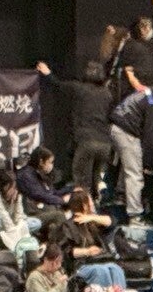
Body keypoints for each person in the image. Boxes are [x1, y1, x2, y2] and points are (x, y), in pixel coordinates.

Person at [36, 60, 115, 195]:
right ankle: (97, 203)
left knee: (82, 184)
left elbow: (58, 85)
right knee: (97, 181)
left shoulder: (79, 89)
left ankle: (84, 205)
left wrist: (47, 73)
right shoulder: (107, 94)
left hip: (86, 141)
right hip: (105, 144)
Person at [109, 84, 153, 228]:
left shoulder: (149, 94)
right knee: (135, 174)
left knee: (128, 167)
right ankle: (135, 216)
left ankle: (120, 196)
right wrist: (149, 164)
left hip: (116, 126)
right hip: (127, 131)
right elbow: (151, 136)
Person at [0, 170, 38, 261]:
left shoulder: (17, 194)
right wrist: (14, 232)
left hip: (12, 222)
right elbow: (3, 215)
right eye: (13, 187)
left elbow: (18, 216)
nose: (15, 189)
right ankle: (9, 239)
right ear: (5, 186)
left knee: (36, 222)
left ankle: (15, 238)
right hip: (0, 223)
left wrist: (15, 202)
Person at [114, 15, 153, 96]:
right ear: (138, 29)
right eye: (143, 27)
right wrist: (138, 86)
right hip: (136, 90)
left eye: (149, 27)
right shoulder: (131, 46)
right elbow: (128, 69)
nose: (147, 30)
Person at [52, 189, 112, 260]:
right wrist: (87, 251)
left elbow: (109, 221)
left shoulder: (93, 220)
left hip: (102, 258)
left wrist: (91, 218)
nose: (92, 204)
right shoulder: (67, 226)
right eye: (90, 202)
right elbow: (66, 251)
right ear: (85, 206)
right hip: (83, 262)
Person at [16, 146, 71, 222]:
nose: (51, 166)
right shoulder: (26, 175)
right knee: (59, 216)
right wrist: (62, 201)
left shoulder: (40, 175)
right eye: (50, 162)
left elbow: (52, 192)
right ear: (41, 161)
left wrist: (71, 190)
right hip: (33, 213)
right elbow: (40, 195)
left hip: (43, 210)